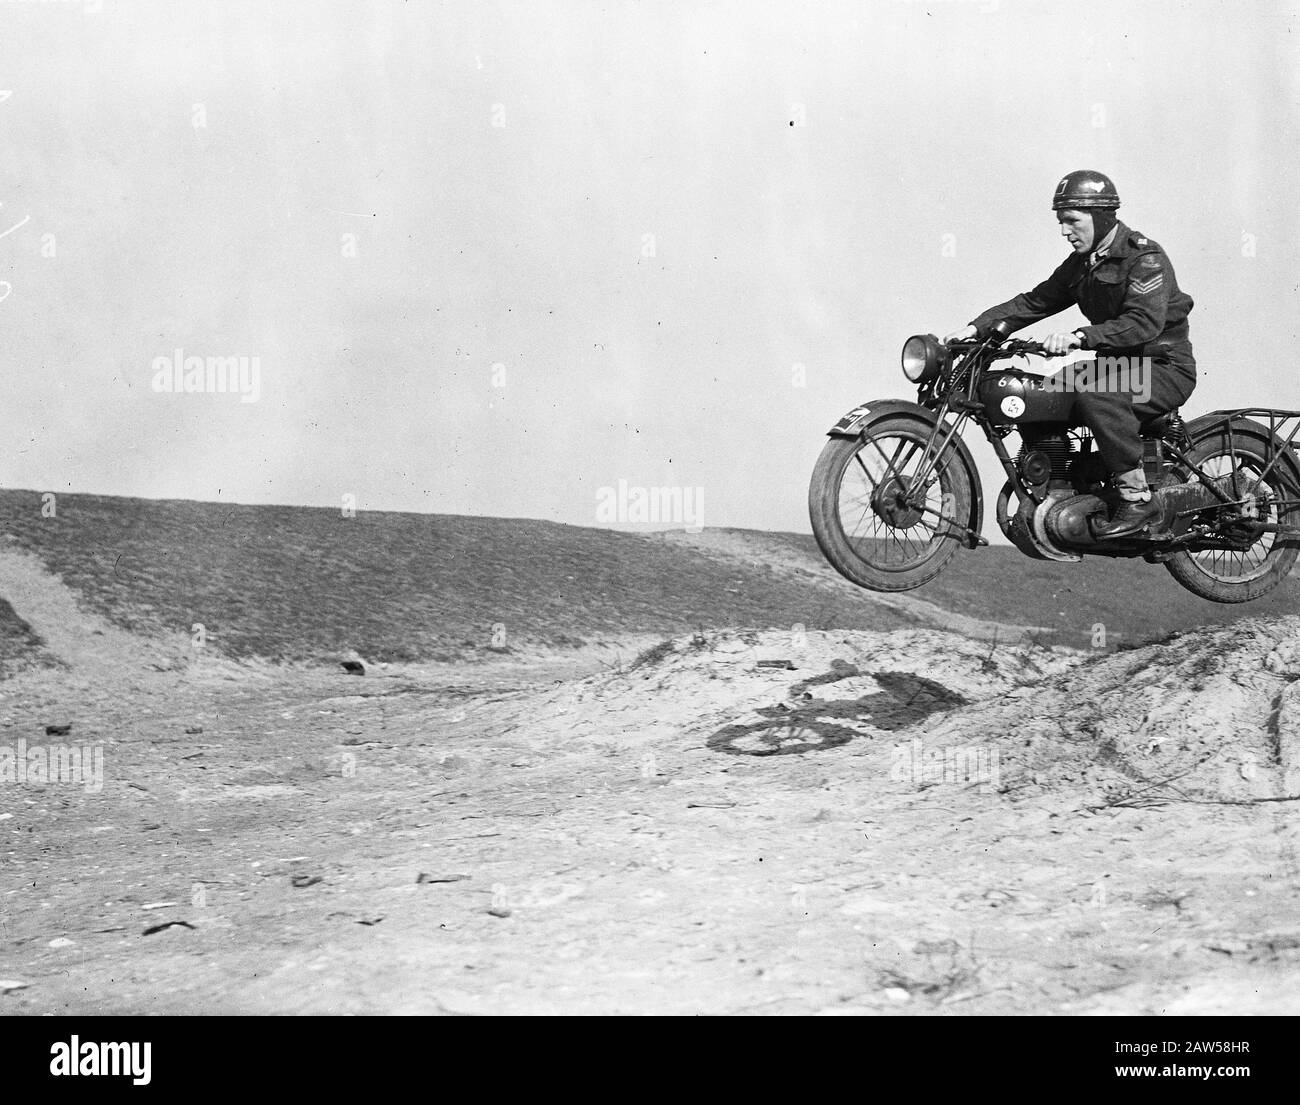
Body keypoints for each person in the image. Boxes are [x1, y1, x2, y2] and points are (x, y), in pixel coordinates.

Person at [944, 170, 1196, 538]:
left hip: (1162, 368)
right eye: (1061, 222)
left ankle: (1138, 500)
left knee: (1099, 396)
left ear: (1100, 216)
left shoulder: (1144, 258)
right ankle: (1066, 483)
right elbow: (1036, 300)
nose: (1065, 230)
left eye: (1071, 221)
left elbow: (1143, 324)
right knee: (1048, 390)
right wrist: (976, 328)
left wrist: (1081, 336)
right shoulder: (1082, 264)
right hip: (1119, 367)